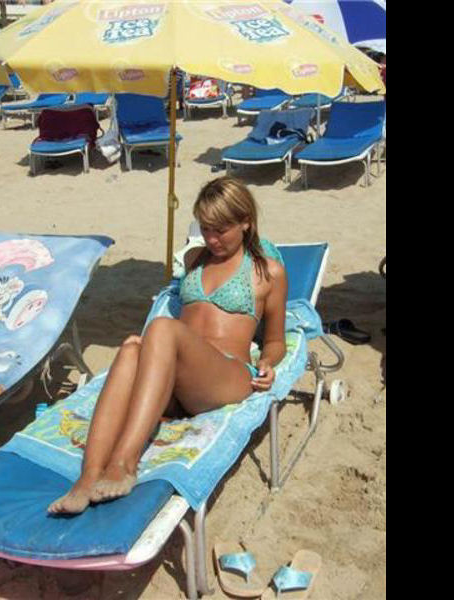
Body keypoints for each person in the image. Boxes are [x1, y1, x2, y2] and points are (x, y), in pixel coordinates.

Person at [48, 176, 288, 514]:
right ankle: (88, 477)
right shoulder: (194, 261)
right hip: (177, 382)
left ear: (245, 222)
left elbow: (275, 339)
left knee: (161, 328)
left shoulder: (268, 272)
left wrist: (267, 362)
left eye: (221, 230)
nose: (212, 239)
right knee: (131, 348)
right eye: (205, 229)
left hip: (225, 375)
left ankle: (124, 463)